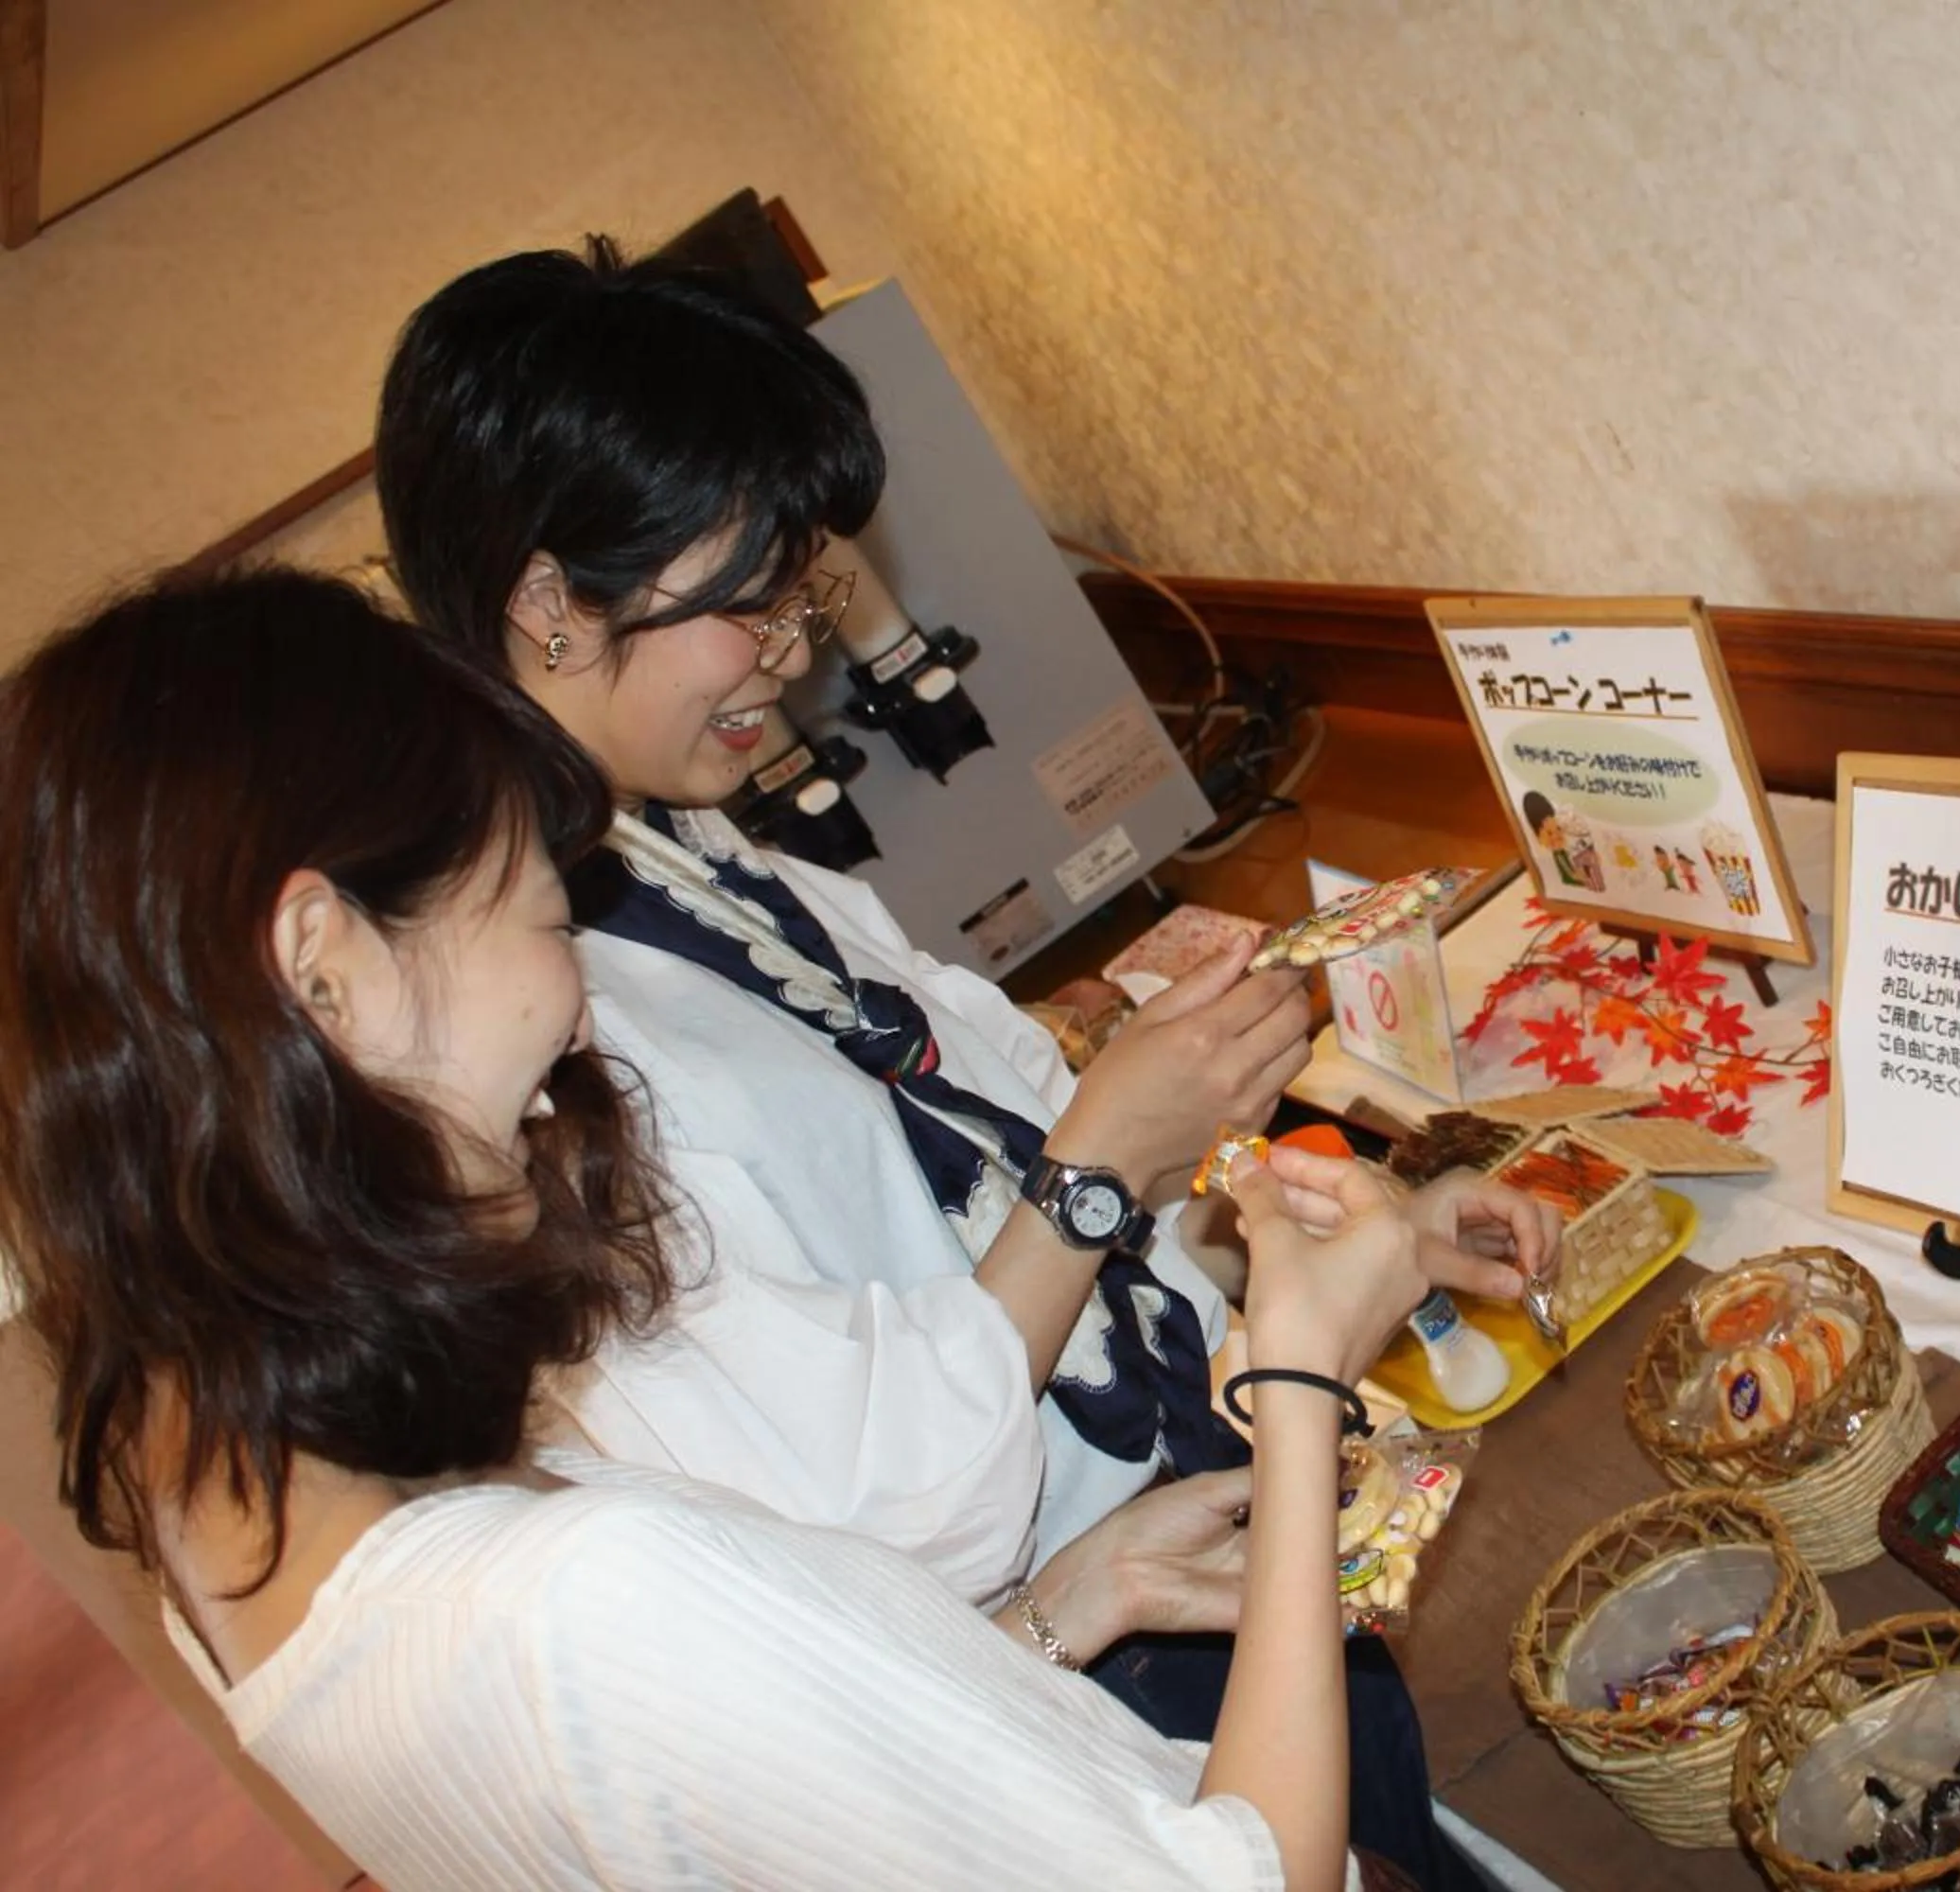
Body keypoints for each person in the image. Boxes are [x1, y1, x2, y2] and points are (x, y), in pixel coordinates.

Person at [375, 243, 1554, 1885]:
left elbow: (997, 1108)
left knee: (1396, 1827)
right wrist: (1091, 1172)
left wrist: (1339, 1233)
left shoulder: (699, 851)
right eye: (752, 602)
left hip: (1191, 1486)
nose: (795, 653)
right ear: (547, 605)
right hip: (1079, 1644)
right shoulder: (527, 1058)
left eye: (807, 592)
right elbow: (886, 1505)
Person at [0, 569, 1440, 1888]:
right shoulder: (596, 1597)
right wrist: (1300, 1382)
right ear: (327, 972)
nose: (573, 1015)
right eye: (546, 924)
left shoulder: (252, 1558)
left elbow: (745, 1800)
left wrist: (1077, 1602)